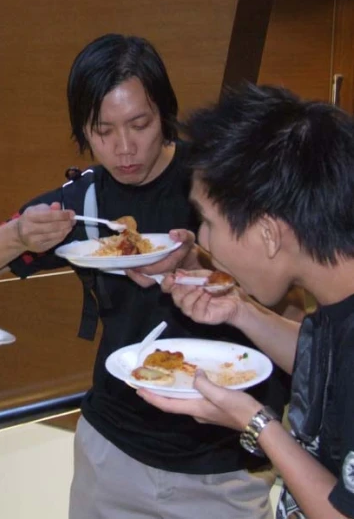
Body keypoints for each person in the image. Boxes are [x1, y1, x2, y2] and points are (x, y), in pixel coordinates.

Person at [0, 34, 289, 518]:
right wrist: (19, 236)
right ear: (82, 131)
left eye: (140, 124)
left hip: (223, 469)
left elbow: (292, 301)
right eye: (102, 131)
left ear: (164, 114)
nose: (124, 148)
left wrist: (204, 267)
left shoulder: (221, 184)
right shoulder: (83, 204)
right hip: (111, 454)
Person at [138, 83, 354, 519]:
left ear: (269, 234)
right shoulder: (337, 301)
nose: (202, 239)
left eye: (210, 222)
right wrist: (239, 310)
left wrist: (256, 423)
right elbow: (330, 368)